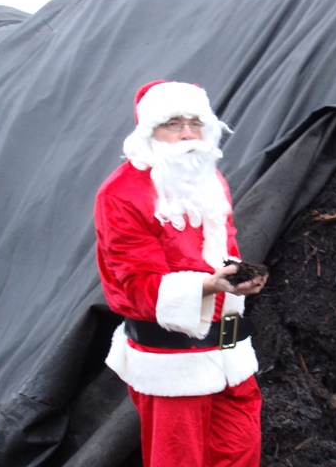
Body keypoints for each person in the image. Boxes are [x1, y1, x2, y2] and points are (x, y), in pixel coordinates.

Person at [94, 80, 268, 467]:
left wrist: (240, 279)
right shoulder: (120, 194)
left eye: (194, 122)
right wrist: (207, 285)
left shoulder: (211, 182)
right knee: (180, 459)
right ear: (149, 131)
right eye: (173, 123)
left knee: (241, 450)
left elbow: (225, 253)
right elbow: (135, 285)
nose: (188, 133)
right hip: (171, 361)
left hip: (227, 351)